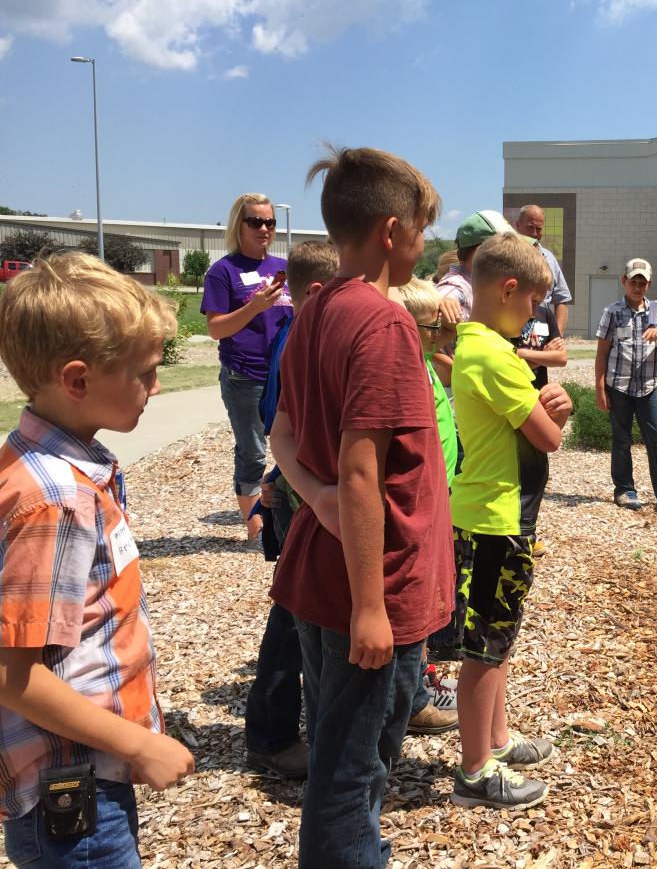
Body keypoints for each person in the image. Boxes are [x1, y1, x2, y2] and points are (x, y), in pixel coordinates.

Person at [267, 146, 453, 867]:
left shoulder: (314, 312)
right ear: (388, 229)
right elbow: (358, 468)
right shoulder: (382, 324)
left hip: (323, 577)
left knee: (346, 757)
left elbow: (283, 435)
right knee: (352, 772)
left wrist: (312, 499)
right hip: (368, 590)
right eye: (421, 230)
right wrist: (372, 607)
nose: (424, 244)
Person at [0, 253, 195, 866]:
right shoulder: (54, 498)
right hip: (72, 790)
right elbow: (13, 674)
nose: (156, 387)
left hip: (85, 775)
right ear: (78, 379)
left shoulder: (47, 464)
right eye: (145, 372)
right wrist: (138, 746)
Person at [448, 231, 573, 810]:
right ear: (508, 288)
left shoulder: (482, 347)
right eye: (532, 303)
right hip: (496, 522)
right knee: (483, 647)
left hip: (500, 515)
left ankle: (496, 738)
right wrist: (556, 412)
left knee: (498, 638)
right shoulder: (495, 355)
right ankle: (476, 770)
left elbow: (538, 420)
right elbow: (546, 438)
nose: (535, 315)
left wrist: (552, 406)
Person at [244, 241, 339, 780]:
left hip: (300, 492)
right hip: (304, 498)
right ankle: (272, 734)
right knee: (293, 612)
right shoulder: (300, 341)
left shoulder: (295, 334)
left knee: (296, 609)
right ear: (320, 293)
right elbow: (282, 427)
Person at [386, 277, 463, 734]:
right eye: (433, 329)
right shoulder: (406, 370)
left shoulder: (424, 362)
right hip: (416, 508)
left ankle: (416, 689)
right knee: (411, 611)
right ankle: (410, 703)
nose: (441, 338)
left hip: (436, 499)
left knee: (424, 608)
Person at [202, 193, 292, 541]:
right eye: (255, 221)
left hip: (282, 377)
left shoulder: (282, 269)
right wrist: (254, 307)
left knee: (291, 443)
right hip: (244, 377)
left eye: (270, 222)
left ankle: (287, 517)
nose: (264, 228)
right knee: (253, 451)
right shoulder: (223, 272)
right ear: (238, 225)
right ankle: (256, 529)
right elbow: (215, 328)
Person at [595, 258, 657, 514]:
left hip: (647, 388)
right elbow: (602, 353)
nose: (637, 286)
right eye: (633, 281)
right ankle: (624, 490)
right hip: (619, 387)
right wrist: (600, 389)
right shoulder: (612, 312)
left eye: (642, 282)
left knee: (656, 441)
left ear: (649, 284)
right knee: (621, 440)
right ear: (624, 281)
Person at [434, 211, 521, 389]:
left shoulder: (478, 286)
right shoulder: (456, 287)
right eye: (500, 250)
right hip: (454, 392)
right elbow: (421, 325)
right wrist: (438, 302)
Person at [512, 301, 568, 558]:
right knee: (515, 467)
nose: (535, 301)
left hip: (541, 398)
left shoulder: (545, 312)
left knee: (537, 468)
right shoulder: (512, 311)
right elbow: (508, 358)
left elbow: (561, 358)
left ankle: (528, 534)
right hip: (516, 396)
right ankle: (515, 535)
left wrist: (524, 355)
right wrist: (538, 355)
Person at [514, 204, 572, 331]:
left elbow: (562, 299)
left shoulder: (549, 258)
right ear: (517, 225)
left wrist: (557, 335)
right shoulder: (507, 255)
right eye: (530, 227)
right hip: (512, 331)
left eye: (539, 229)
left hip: (541, 331)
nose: (535, 233)